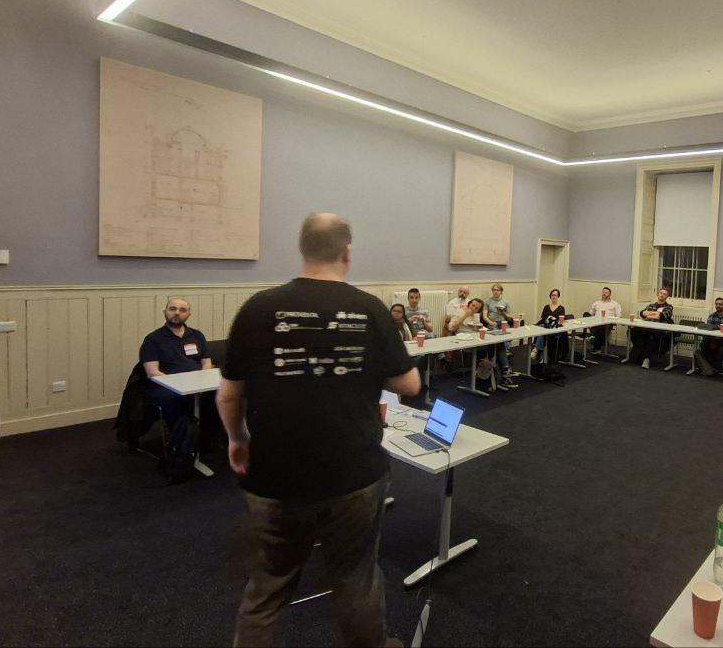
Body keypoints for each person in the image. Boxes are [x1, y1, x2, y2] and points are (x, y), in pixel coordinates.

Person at [217, 213, 420, 647]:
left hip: (274, 475)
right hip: (353, 474)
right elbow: (410, 384)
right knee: (355, 578)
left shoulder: (257, 308)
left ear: (301, 248)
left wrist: (237, 439)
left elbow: (229, 396)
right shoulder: (369, 308)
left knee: (269, 585)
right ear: (347, 252)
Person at [139, 297, 214, 479]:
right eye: (172, 309)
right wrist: (179, 385)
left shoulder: (197, 336)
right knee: (176, 400)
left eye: (182, 310)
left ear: (189, 314)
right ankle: (182, 448)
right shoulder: (153, 339)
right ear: (165, 312)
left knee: (219, 396)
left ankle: (206, 440)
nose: (177, 313)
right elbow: (152, 372)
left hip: (197, 384)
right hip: (166, 387)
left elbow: (206, 363)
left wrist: (203, 381)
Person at [448, 296, 510, 391]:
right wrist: (465, 316)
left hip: (477, 340)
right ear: (469, 304)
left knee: (498, 342)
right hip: (464, 341)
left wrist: (480, 327)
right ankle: (498, 371)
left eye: (477, 308)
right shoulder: (459, 312)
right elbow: (451, 328)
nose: (474, 309)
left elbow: (476, 328)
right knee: (494, 347)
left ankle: (500, 369)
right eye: (473, 306)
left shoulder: (476, 315)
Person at [623, 287, 674, 369]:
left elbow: (659, 316)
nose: (662, 295)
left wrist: (649, 314)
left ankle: (646, 358)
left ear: (667, 297)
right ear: (658, 294)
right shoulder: (651, 305)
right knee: (632, 331)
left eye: (664, 294)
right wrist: (654, 313)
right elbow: (642, 313)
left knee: (650, 336)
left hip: (658, 329)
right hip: (646, 327)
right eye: (661, 293)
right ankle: (639, 353)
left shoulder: (669, 307)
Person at [483, 283, 517, 387]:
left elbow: (509, 318)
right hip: (492, 324)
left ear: (501, 291)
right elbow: (484, 315)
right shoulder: (487, 301)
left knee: (502, 338)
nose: (495, 292)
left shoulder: (506, 302)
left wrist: (503, 312)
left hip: (503, 323)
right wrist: (490, 322)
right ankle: (506, 367)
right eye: (494, 290)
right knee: (500, 340)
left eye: (497, 290)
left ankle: (503, 360)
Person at [695, 297, 723, 376]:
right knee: (704, 342)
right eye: (716, 304)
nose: (718, 306)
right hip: (712, 338)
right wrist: (715, 334)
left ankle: (717, 367)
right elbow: (708, 328)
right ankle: (713, 366)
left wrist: (716, 327)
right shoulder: (711, 316)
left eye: (720, 304)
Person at [531, 288, 566, 361]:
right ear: (550, 296)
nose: (553, 296)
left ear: (558, 296)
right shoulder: (546, 307)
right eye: (552, 295)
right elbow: (543, 317)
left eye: (555, 295)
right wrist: (548, 318)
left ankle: (536, 349)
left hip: (555, 327)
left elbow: (561, 319)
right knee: (542, 332)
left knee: (542, 332)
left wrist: (553, 319)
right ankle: (542, 357)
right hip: (546, 325)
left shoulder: (561, 308)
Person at [588, 286, 622, 352]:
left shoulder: (615, 304)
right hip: (596, 321)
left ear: (610, 294)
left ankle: (595, 344)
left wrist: (612, 319)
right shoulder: (596, 303)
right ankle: (595, 340)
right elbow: (591, 314)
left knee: (599, 328)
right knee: (586, 315)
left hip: (608, 323)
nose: (604, 294)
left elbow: (619, 316)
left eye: (606, 292)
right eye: (603, 292)